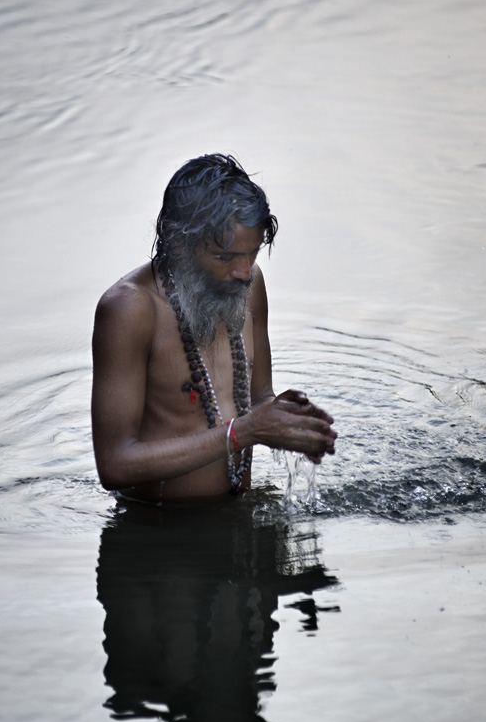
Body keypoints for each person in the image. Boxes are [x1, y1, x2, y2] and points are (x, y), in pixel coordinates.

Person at [91, 153, 336, 502]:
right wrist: (245, 431)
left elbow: (257, 398)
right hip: (159, 534)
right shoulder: (130, 310)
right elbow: (114, 465)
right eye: (224, 257)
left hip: (239, 514)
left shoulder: (250, 283)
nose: (243, 271)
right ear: (177, 243)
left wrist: (283, 418)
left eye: (251, 254)